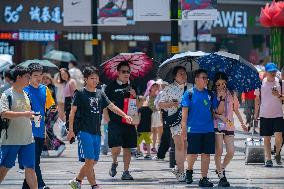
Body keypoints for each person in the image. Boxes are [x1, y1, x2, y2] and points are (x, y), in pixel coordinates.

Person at [67, 66, 132, 189]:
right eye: (92, 78)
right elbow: (72, 112)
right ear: (86, 79)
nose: (95, 81)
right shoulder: (80, 93)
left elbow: (111, 106)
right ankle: (94, 185)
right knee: (89, 160)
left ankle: (77, 181)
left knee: (93, 161)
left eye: (97, 78)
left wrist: (125, 115)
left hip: (97, 132)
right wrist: (71, 130)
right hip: (84, 131)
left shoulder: (100, 93)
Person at [181, 69, 221, 187]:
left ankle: (204, 178)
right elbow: (184, 113)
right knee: (193, 154)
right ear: (196, 79)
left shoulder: (210, 94)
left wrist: (222, 98)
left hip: (208, 128)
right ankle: (189, 170)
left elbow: (216, 111)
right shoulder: (189, 93)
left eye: (207, 78)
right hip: (193, 129)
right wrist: (183, 128)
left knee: (206, 154)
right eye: (203, 78)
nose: (206, 80)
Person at [0, 66, 38, 189]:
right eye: (27, 77)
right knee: (5, 167)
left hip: (27, 139)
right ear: (19, 77)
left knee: (30, 168)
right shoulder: (7, 95)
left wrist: (32, 117)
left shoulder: (26, 94)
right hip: (10, 139)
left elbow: (26, 114)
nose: (30, 79)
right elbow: (4, 113)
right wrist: (25, 114)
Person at [22, 63, 55, 189]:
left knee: (34, 162)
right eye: (35, 75)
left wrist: (52, 111)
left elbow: (51, 106)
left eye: (40, 75)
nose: (39, 78)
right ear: (29, 76)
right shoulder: (24, 90)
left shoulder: (44, 89)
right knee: (33, 162)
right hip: (27, 132)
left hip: (40, 130)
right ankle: (41, 185)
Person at [212, 72, 247, 187]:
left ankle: (221, 168)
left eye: (223, 83)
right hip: (217, 125)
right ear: (215, 84)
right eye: (218, 84)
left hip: (229, 126)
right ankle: (222, 176)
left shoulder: (232, 93)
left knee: (231, 152)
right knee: (219, 151)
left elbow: (236, 109)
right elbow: (214, 112)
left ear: (226, 82)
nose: (221, 86)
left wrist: (242, 123)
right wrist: (220, 98)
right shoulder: (213, 94)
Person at [104, 61, 138, 180]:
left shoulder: (133, 86)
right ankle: (114, 162)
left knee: (127, 147)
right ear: (118, 73)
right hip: (115, 121)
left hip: (129, 121)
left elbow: (137, 105)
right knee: (116, 148)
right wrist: (106, 117)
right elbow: (106, 104)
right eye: (123, 71)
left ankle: (126, 171)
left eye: (128, 71)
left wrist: (134, 96)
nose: (126, 74)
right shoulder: (110, 87)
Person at [158, 66, 192, 182]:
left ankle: (179, 167)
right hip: (176, 121)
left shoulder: (191, 88)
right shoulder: (169, 88)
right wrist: (171, 104)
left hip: (190, 121)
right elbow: (160, 104)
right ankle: (182, 172)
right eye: (180, 73)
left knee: (187, 146)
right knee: (179, 145)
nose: (183, 75)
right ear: (174, 76)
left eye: (184, 73)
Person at [254, 62, 284, 167]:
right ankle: (268, 159)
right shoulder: (260, 84)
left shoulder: (280, 82)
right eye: (271, 71)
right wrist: (255, 114)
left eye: (274, 71)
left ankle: (277, 153)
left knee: (279, 137)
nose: (273, 73)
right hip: (264, 114)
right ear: (266, 72)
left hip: (278, 114)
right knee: (266, 138)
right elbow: (257, 99)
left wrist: (278, 95)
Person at [144, 80, 161, 153]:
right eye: (153, 86)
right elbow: (145, 106)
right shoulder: (148, 97)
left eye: (156, 86)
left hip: (157, 114)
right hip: (150, 115)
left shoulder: (158, 96)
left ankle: (153, 147)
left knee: (155, 131)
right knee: (149, 131)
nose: (155, 87)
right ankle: (146, 143)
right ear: (150, 87)